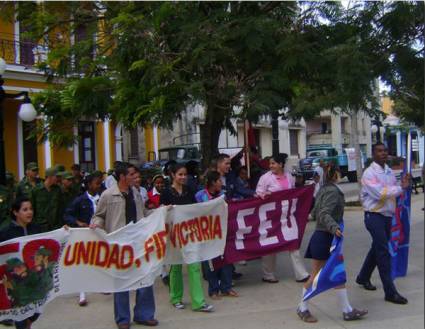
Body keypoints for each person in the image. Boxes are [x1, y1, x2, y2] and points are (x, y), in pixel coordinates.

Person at [297, 163, 367, 323]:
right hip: (325, 238)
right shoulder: (333, 192)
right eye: (339, 172)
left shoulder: (323, 189)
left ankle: (347, 310)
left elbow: (315, 212)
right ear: (335, 174)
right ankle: (302, 307)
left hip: (324, 237)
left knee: (338, 275)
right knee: (315, 277)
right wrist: (334, 227)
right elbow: (323, 213)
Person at [91, 162, 157, 328]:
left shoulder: (136, 193)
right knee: (121, 282)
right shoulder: (108, 195)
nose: (135, 177)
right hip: (119, 244)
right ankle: (123, 319)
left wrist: (161, 212)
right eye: (131, 174)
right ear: (121, 177)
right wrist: (96, 224)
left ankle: (144, 314)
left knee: (145, 278)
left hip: (138, 242)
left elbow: (144, 213)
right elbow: (99, 216)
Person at [356, 142, 411, 305]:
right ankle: (390, 291)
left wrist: (402, 187)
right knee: (383, 252)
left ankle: (363, 277)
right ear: (373, 154)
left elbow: (392, 191)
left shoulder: (389, 172)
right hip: (374, 216)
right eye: (380, 151)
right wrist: (401, 188)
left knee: (377, 248)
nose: (383, 153)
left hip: (387, 216)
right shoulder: (369, 173)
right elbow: (380, 194)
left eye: (385, 150)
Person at [160, 163, 214, 313]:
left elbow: (195, 210)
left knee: (194, 265)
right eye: (180, 174)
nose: (183, 177)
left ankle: (198, 302)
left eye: (185, 175)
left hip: (190, 234)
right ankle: (176, 298)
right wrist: (165, 209)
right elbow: (160, 214)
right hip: (173, 235)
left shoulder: (190, 191)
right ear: (172, 175)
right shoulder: (165, 193)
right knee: (175, 266)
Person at [256, 153, 310, 283]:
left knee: (293, 243)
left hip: (287, 216)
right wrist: (265, 195)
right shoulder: (265, 178)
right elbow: (258, 194)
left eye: (273, 163)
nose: (271, 166)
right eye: (270, 164)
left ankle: (301, 274)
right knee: (270, 246)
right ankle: (268, 274)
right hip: (271, 218)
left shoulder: (289, 176)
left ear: (281, 164)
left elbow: (293, 192)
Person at [195, 171, 238, 299]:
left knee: (226, 261)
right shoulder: (200, 195)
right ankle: (213, 290)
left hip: (223, 233)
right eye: (219, 180)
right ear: (213, 182)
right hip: (207, 234)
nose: (221, 183)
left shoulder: (223, 195)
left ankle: (226, 287)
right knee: (210, 263)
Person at [0, 197, 41, 329]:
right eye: (25, 210)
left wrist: (64, 232)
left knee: (36, 313)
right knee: (21, 318)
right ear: (15, 212)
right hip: (16, 283)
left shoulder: (36, 228)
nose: (29, 212)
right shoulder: (5, 233)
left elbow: (51, 240)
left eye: (31, 209)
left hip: (34, 280)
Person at [64, 173, 102, 306]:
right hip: (85, 235)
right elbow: (67, 215)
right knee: (84, 262)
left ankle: (102, 285)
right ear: (89, 184)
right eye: (97, 183)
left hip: (100, 234)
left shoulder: (103, 198)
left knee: (100, 260)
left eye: (100, 183)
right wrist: (78, 222)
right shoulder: (80, 200)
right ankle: (82, 293)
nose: (99, 186)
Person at [31, 167, 62, 232]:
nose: (58, 179)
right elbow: (32, 208)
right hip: (40, 226)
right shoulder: (36, 190)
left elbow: (60, 208)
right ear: (50, 176)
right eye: (56, 176)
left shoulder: (57, 190)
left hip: (55, 226)